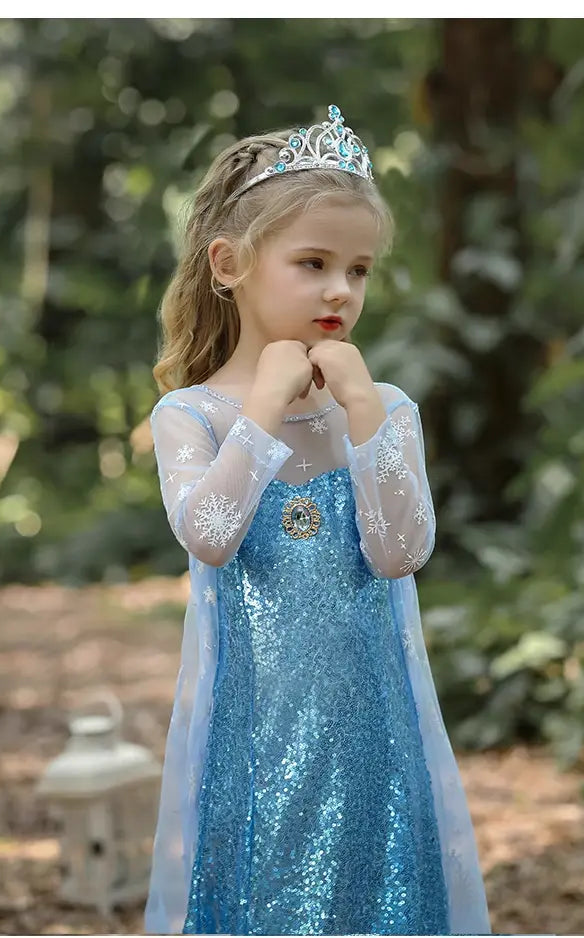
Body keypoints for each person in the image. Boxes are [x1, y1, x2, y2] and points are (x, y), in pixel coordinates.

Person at [145, 103, 490, 936]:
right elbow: (211, 533)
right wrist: (261, 412)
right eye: (314, 262)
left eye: (360, 269)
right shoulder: (193, 415)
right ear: (229, 264)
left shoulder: (385, 409)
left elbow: (401, 550)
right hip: (253, 731)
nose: (342, 288)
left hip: (376, 726)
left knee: (385, 894)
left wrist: (364, 410)